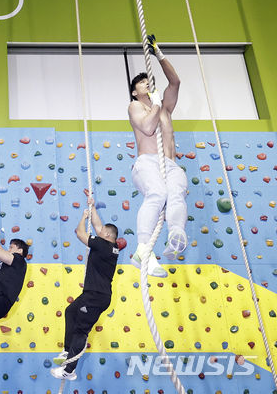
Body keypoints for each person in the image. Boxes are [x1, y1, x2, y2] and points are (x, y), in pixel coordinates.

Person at [127, 34, 187, 278]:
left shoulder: (165, 108)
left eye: (148, 81)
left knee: (177, 193)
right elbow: (149, 128)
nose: (147, 83)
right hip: (147, 163)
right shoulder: (136, 107)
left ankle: (175, 236)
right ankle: (143, 250)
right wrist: (154, 104)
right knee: (158, 194)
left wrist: (159, 54)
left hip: (170, 164)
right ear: (134, 92)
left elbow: (175, 82)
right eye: (141, 82)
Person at [51, 199, 120, 381]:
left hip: (96, 296)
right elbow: (98, 226)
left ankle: (69, 370)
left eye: (102, 230)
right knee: (70, 311)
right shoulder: (110, 246)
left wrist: (83, 216)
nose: (99, 230)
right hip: (92, 294)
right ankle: (67, 351)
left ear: (106, 234)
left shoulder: (103, 245)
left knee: (81, 330)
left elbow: (80, 233)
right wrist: (92, 207)